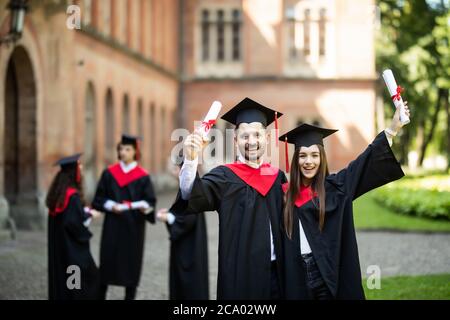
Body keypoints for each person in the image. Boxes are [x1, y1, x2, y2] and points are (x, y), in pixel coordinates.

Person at [280, 102, 410, 300]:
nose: (308, 161)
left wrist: (392, 129)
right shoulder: (284, 195)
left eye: (314, 155)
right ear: (295, 159)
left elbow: (363, 162)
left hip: (327, 275)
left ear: (322, 158)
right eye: (303, 156)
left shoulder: (336, 187)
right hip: (295, 277)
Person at [174, 97, 287, 299]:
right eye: (244, 136)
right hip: (240, 275)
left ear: (267, 138)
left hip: (276, 274)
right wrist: (191, 159)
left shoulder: (277, 177)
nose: (251, 141)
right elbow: (189, 194)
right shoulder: (224, 177)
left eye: (256, 135)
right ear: (235, 141)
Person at [92, 134, 157, 300]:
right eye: (121, 149)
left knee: (131, 266)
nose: (123, 152)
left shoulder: (142, 176)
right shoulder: (109, 174)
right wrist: (110, 206)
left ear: (135, 152)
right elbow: (98, 199)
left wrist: (145, 209)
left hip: (133, 229)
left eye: (127, 149)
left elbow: (150, 203)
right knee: (107, 264)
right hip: (112, 226)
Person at [46, 153, 101, 300]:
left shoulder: (58, 195)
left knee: (66, 280)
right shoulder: (72, 197)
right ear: (73, 172)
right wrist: (90, 216)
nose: (81, 168)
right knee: (83, 280)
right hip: (73, 252)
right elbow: (75, 223)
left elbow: (68, 218)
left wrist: (84, 213)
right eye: (79, 165)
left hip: (61, 249)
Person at [157, 161, 209, 300]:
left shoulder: (190, 187)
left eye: (175, 169)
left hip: (190, 246)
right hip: (187, 242)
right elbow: (182, 212)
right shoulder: (185, 186)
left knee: (190, 286)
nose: (173, 172)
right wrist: (169, 212)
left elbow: (189, 218)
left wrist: (168, 217)